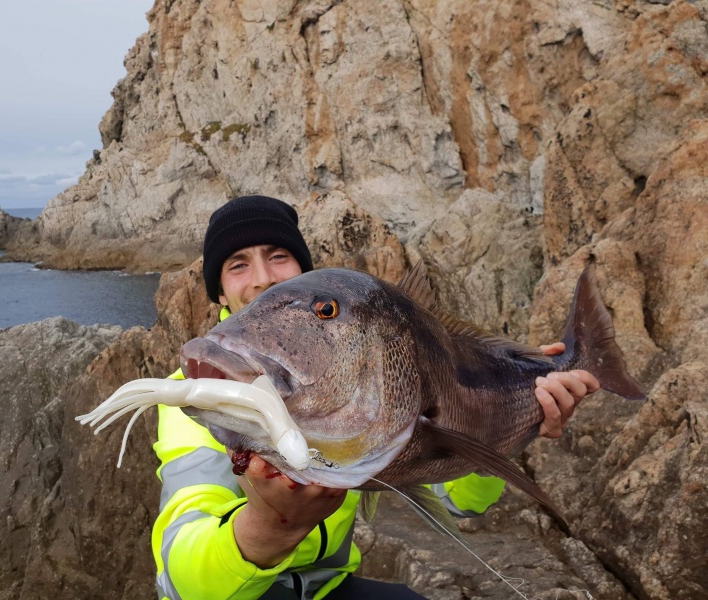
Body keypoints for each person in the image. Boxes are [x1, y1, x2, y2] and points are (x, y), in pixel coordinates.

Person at [151, 195, 599, 600]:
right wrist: (268, 529)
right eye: (238, 265)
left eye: (279, 256)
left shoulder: (360, 366)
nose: (264, 279)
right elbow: (180, 578)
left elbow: (461, 502)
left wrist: (527, 417)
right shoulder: (196, 394)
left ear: (303, 269)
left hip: (331, 588)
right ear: (218, 289)